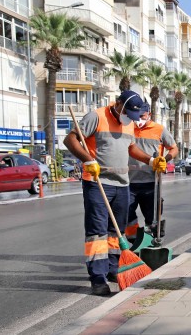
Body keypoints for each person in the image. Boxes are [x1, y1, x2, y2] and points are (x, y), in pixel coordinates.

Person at [63, 91, 167, 296]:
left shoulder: (129, 122)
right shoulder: (96, 116)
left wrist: (150, 161)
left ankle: (112, 269)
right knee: (97, 233)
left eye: (134, 115)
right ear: (118, 104)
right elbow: (70, 140)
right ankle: (98, 278)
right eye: (127, 112)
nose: (130, 117)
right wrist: (88, 160)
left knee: (115, 231)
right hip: (98, 182)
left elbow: (131, 148)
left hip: (122, 184)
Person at [125, 102, 178, 242]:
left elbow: (174, 148)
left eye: (142, 116)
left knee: (152, 216)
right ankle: (134, 240)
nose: (138, 119)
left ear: (149, 114)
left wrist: (164, 159)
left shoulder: (159, 129)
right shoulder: (128, 128)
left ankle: (151, 241)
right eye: (136, 116)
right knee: (126, 212)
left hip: (151, 182)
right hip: (129, 181)